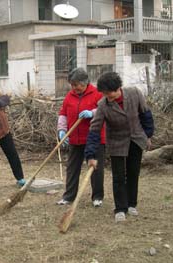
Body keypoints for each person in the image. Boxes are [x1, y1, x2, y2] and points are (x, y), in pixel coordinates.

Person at [85, 72, 154, 223]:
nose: (107, 96)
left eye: (109, 93)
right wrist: (90, 154)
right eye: (104, 94)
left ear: (118, 88)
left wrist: (148, 134)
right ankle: (120, 208)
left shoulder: (134, 93)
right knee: (118, 177)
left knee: (133, 173)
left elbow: (146, 114)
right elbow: (94, 130)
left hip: (136, 139)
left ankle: (131, 204)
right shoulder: (103, 105)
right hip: (116, 142)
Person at [56, 68, 106, 207]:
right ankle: (69, 197)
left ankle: (97, 197)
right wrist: (62, 130)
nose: (74, 87)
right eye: (72, 84)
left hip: (94, 138)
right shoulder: (69, 96)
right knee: (72, 168)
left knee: (95, 168)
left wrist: (92, 112)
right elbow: (63, 114)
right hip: (75, 138)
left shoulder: (97, 94)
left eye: (77, 84)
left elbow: (105, 110)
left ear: (85, 83)